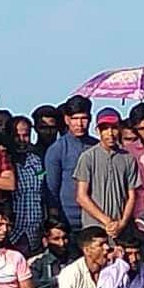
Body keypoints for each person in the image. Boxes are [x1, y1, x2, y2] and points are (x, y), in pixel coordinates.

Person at [74, 108, 141, 235]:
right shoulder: (88, 157)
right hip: (94, 227)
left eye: (114, 128)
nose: (110, 133)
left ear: (120, 129)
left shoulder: (128, 158)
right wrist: (106, 221)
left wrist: (122, 222)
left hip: (121, 229)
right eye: (105, 128)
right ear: (98, 130)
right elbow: (81, 196)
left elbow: (132, 195)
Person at [42, 96, 94, 227]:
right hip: (68, 220)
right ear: (67, 120)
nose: (79, 124)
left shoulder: (97, 147)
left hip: (96, 217)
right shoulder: (57, 149)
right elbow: (52, 188)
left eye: (84, 118)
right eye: (75, 119)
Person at [27, 218, 74, 288]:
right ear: (45, 241)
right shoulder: (36, 262)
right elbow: (33, 286)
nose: (61, 243)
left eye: (64, 238)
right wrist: (58, 279)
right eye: (56, 239)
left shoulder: (75, 261)